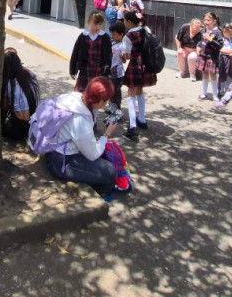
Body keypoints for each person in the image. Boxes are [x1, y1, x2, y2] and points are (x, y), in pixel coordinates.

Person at [42, 78, 121, 197]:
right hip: (61, 162)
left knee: (105, 163)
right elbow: (92, 154)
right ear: (99, 101)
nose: (106, 103)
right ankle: (100, 192)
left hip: (52, 149)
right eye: (106, 100)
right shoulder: (81, 119)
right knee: (110, 172)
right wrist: (106, 134)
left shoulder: (75, 97)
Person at [122, 10, 155, 142]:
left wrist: (121, 56)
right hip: (147, 65)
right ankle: (142, 119)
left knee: (131, 94)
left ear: (129, 22)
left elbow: (127, 56)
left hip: (135, 66)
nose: (123, 23)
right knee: (140, 91)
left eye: (124, 20)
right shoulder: (146, 29)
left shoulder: (128, 36)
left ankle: (132, 126)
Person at [0, 48, 38, 140]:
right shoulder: (29, 75)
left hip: (17, 129)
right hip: (30, 124)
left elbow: (4, 107)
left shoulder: (10, 83)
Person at [69, 11, 111, 92]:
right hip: (85, 69)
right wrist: (72, 69)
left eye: (99, 24)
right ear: (88, 22)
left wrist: (107, 68)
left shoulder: (104, 37)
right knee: (81, 92)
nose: (97, 27)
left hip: (98, 70)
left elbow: (108, 55)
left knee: (95, 93)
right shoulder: (83, 36)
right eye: (95, 24)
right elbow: (75, 53)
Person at [196, 12, 224, 102]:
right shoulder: (203, 30)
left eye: (208, 20)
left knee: (213, 75)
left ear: (214, 21)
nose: (206, 22)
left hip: (212, 56)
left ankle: (215, 95)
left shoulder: (218, 32)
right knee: (204, 74)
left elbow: (220, 45)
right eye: (205, 20)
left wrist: (211, 39)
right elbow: (201, 41)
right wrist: (198, 46)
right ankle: (203, 93)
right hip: (204, 55)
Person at [109, 22, 128, 109]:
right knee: (111, 90)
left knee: (116, 92)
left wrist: (123, 58)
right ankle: (112, 107)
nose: (112, 36)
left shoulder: (122, 46)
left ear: (121, 35)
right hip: (111, 71)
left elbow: (124, 61)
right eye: (111, 34)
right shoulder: (113, 43)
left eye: (114, 34)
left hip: (117, 72)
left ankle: (117, 110)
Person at [217, 23, 232, 94]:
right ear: (224, 32)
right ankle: (221, 90)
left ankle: (229, 90)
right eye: (229, 34)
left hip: (230, 57)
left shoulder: (229, 39)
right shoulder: (221, 39)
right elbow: (218, 49)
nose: (230, 35)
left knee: (230, 73)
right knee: (223, 73)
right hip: (223, 57)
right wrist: (226, 51)